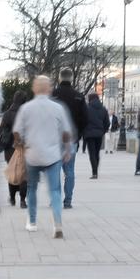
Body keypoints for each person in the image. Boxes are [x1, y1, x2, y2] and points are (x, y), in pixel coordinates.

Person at [15, 76, 74, 238]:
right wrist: (67, 151)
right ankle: (57, 223)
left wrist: (20, 146)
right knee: (55, 190)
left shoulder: (26, 108)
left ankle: (32, 222)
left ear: (34, 88)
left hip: (32, 154)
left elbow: (17, 133)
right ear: (49, 89)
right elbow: (66, 133)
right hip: (53, 155)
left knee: (32, 188)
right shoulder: (57, 108)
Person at [52, 68, 87, 209]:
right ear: (71, 78)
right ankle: (68, 201)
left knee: (54, 171)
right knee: (70, 171)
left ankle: (55, 199)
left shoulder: (52, 95)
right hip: (71, 139)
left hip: (54, 140)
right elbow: (85, 119)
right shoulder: (78, 96)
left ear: (60, 78)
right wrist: (78, 134)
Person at [0, 90, 30, 207]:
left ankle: (12, 198)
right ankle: (22, 200)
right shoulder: (26, 114)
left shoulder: (7, 114)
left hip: (9, 148)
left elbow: (0, 131)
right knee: (23, 174)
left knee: (13, 172)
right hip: (23, 147)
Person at [84, 92, 109, 179]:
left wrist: (84, 131)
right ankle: (96, 170)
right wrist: (103, 131)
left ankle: (94, 172)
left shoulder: (86, 108)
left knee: (92, 153)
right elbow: (107, 123)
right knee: (97, 153)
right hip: (99, 134)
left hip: (89, 134)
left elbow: (83, 121)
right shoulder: (103, 109)